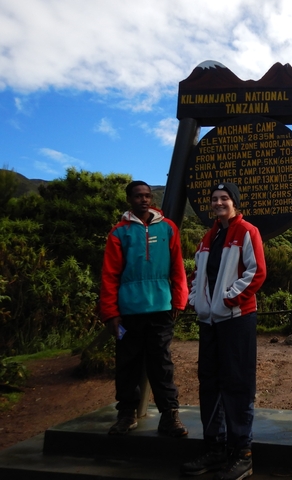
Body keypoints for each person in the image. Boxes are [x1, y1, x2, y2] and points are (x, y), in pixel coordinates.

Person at [181, 183, 266, 480]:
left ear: (234, 203)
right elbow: (197, 275)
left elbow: (256, 272)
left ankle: (242, 452)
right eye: (215, 199)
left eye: (224, 199)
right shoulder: (209, 236)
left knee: (238, 383)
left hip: (236, 318)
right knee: (210, 383)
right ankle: (215, 448)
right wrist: (196, 302)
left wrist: (228, 298)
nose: (219, 203)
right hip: (210, 322)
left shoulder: (247, 232)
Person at [99, 180, 189, 437]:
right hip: (128, 311)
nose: (144, 199)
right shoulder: (119, 232)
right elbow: (109, 276)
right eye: (138, 196)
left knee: (161, 362)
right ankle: (127, 414)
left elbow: (177, 267)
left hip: (161, 306)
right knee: (127, 363)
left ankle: (169, 415)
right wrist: (111, 312)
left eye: (147, 195)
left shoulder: (169, 228)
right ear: (129, 199)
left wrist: (179, 299)